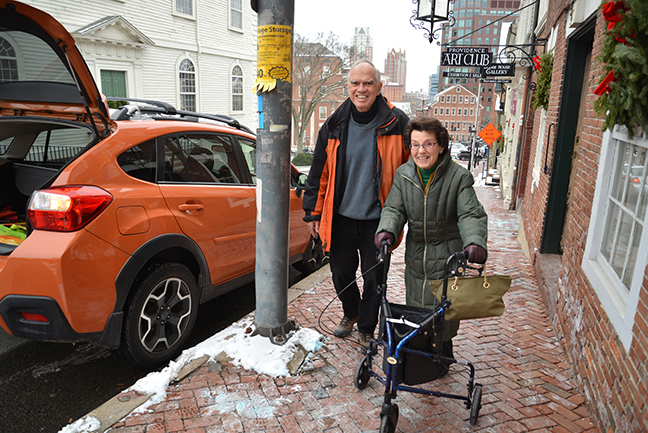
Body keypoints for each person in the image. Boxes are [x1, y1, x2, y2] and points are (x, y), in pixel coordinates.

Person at [302, 60, 410, 350]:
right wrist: (312, 211)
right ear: (348, 86)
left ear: (379, 87)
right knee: (341, 274)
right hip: (340, 218)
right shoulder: (335, 123)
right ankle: (351, 312)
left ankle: (365, 327)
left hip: (379, 220)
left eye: (368, 83)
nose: (361, 89)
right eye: (355, 83)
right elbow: (318, 171)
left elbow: (413, 168)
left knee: (375, 278)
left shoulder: (398, 123)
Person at [374, 116, 487, 376]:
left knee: (444, 310)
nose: (420, 151)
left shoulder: (459, 177)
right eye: (414, 145)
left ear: (441, 146)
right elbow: (394, 207)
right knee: (417, 305)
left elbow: (470, 214)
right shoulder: (404, 175)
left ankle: (444, 350)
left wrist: (474, 241)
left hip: (447, 254)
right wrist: (387, 230)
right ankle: (420, 352)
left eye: (428, 144)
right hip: (416, 254)